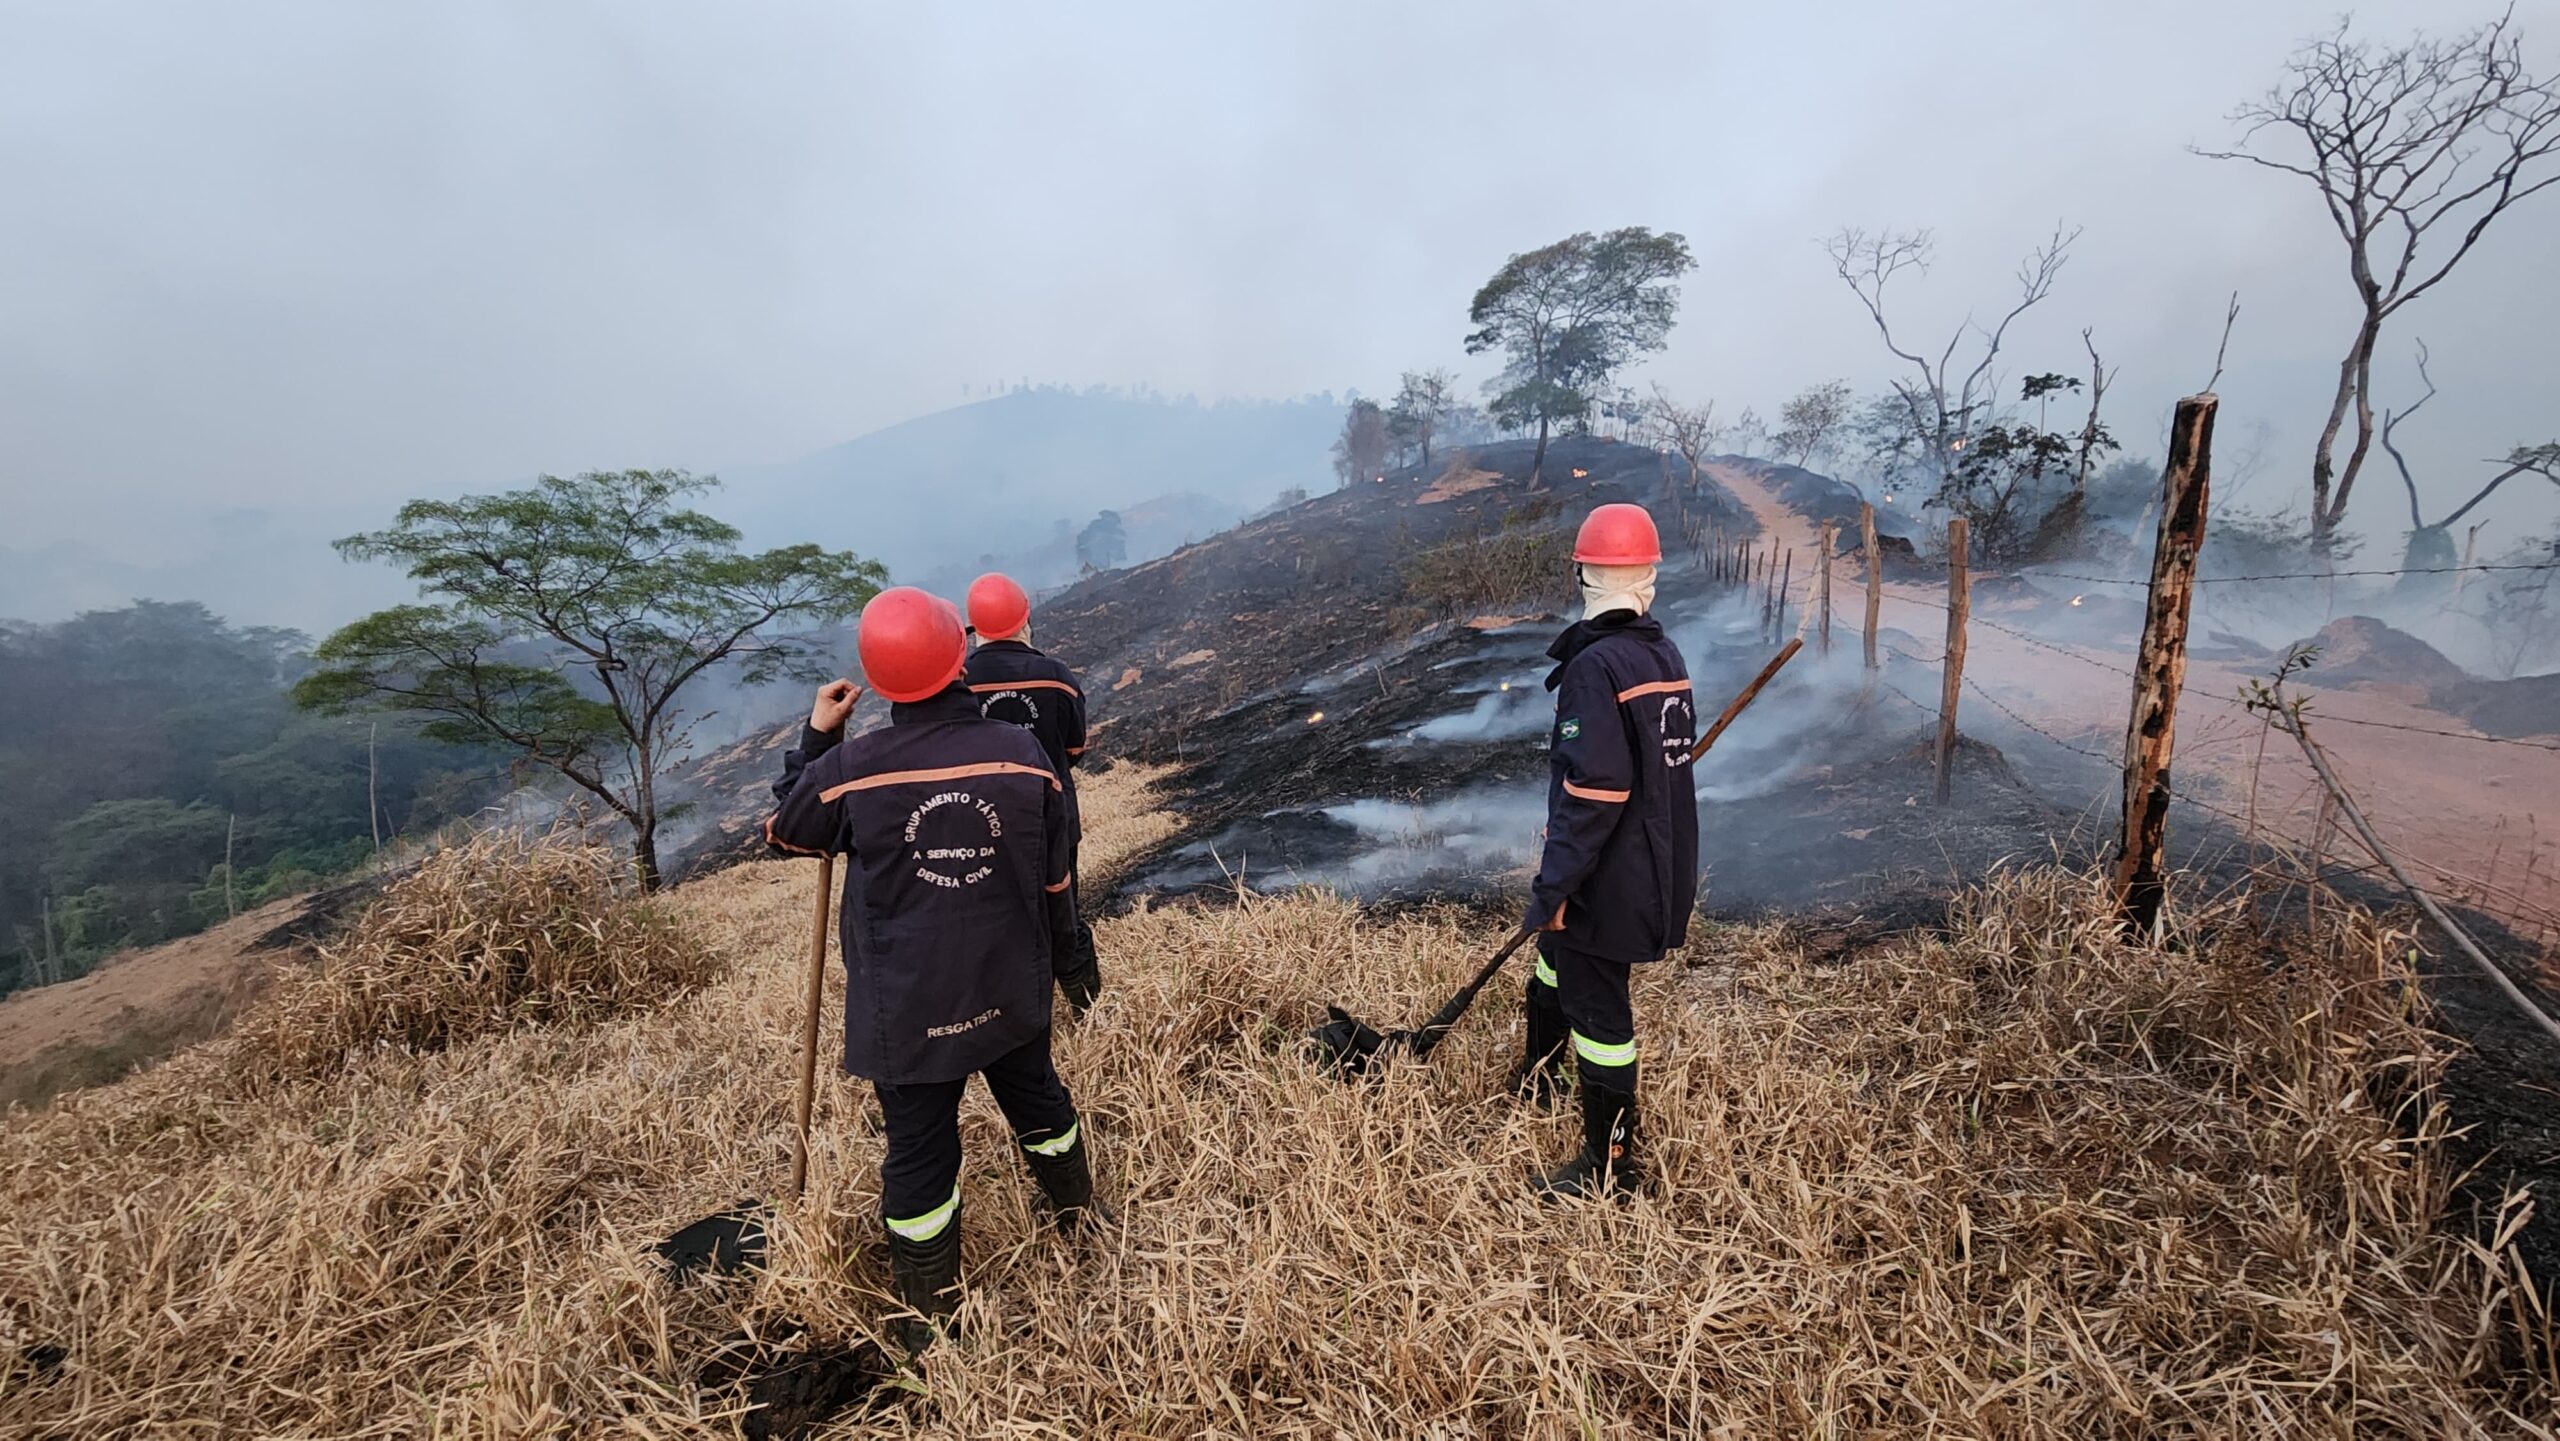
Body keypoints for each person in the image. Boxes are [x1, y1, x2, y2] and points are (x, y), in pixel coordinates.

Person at [765, 585, 1097, 1352]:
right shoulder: (1025, 757)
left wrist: (817, 738)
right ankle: (1080, 1219)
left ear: (877, 682)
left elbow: (786, 829)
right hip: (1010, 987)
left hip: (908, 1009)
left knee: (918, 1153)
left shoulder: (852, 768)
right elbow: (1054, 879)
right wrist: (1060, 960)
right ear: (961, 656)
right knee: (1041, 1105)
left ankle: (929, 1322)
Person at [1514, 502, 1698, 1200]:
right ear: (1649, 576)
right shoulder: (1661, 654)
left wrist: (1555, 885)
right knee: (1554, 963)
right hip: (1653, 866)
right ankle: (1537, 1077)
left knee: (1601, 1015)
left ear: (1585, 573)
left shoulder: (1596, 668)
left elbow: (1594, 792)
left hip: (1608, 877)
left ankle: (1611, 1166)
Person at [960, 571, 1100, 1012]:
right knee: (1063, 913)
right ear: (1025, 619)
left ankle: (1014, 1016)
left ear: (974, 627)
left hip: (976, 825)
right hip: (1051, 817)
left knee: (1000, 919)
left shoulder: (957, 682)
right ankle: (1087, 1009)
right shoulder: (1055, 677)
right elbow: (1075, 747)